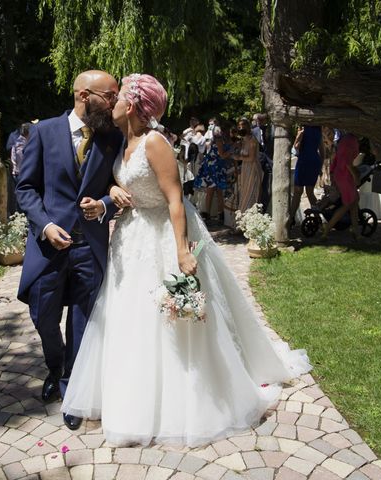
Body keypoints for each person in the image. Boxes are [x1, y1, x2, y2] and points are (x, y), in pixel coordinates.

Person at [61, 73, 311, 447]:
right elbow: (121, 183)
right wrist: (114, 188)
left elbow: (176, 199)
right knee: (128, 315)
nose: (111, 103)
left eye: (117, 98)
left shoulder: (155, 143)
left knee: (167, 320)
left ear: (130, 105)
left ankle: (180, 400)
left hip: (163, 234)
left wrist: (181, 250)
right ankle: (128, 395)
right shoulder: (122, 141)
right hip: (130, 236)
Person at [16, 70, 124, 431]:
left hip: (89, 246)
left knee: (81, 320)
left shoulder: (112, 137)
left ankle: (71, 389)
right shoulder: (44, 132)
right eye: (109, 96)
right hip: (49, 246)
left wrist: (106, 203)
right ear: (83, 94)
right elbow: (25, 188)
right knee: (43, 315)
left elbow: (120, 185)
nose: (114, 102)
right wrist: (45, 225)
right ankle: (54, 365)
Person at [321, 133, 361, 240]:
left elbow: (338, 159)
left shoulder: (345, 139)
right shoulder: (351, 141)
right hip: (345, 175)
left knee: (354, 201)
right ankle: (327, 229)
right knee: (348, 204)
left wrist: (333, 173)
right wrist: (356, 176)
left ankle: (356, 231)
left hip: (341, 174)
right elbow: (348, 163)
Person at [288, 125, 324, 228]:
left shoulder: (304, 129)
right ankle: (318, 218)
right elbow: (322, 152)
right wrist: (320, 166)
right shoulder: (318, 130)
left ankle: (291, 219)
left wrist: (299, 136)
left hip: (304, 161)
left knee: (298, 192)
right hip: (313, 161)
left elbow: (295, 148)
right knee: (309, 191)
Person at [234, 117, 264, 214]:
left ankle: (249, 217)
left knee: (251, 193)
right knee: (244, 192)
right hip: (245, 169)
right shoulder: (243, 140)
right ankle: (243, 217)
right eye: (239, 126)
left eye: (243, 126)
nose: (241, 128)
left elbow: (251, 158)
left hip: (253, 169)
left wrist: (238, 158)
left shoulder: (252, 140)